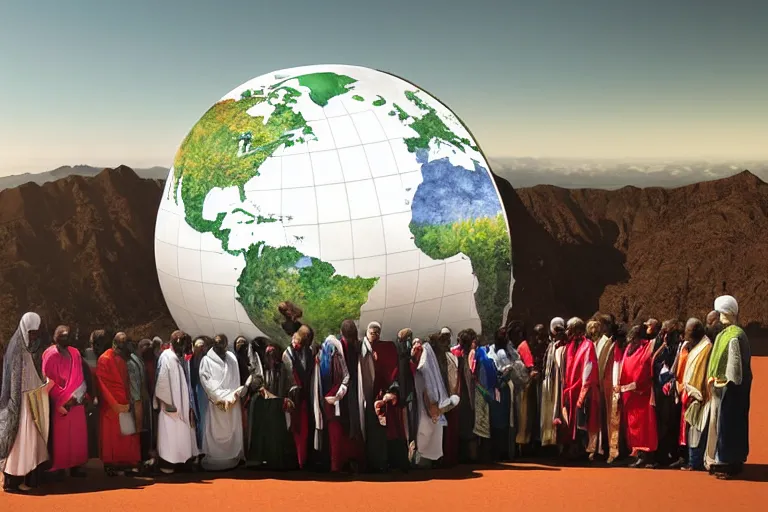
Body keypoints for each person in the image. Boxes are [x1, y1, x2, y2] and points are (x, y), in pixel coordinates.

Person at [0, 312, 52, 493]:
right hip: (20, 403)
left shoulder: (34, 347)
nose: (34, 336)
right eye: (31, 332)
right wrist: (18, 405)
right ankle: (12, 481)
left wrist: (42, 385)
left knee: (32, 441)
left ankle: (28, 478)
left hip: (32, 399)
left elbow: (34, 372)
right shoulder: (16, 347)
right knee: (19, 441)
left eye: (36, 332)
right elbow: (15, 381)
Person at [705, 295, 752, 479]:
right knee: (725, 424)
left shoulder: (734, 336)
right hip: (723, 388)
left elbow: (735, 367)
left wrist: (728, 384)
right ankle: (727, 459)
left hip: (731, 390)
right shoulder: (727, 334)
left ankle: (729, 462)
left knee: (729, 424)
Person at [41, 325, 88, 477]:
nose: (64, 338)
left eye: (67, 335)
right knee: (60, 437)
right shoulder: (50, 354)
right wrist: (63, 399)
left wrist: (77, 396)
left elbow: (80, 375)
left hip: (76, 399)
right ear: (55, 336)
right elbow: (47, 379)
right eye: (61, 335)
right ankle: (60, 467)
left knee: (77, 434)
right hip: (59, 403)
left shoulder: (75, 353)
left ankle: (76, 465)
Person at [365, 321, 409, 473]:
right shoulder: (362, 349)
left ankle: (390, 461)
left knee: (390, 430)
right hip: (368, 395)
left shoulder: (387, 348)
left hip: (385, 395)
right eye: (372, 332)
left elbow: (392, 371)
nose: (375, 335)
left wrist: (391, 391)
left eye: (377, 332)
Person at [96, 332, 141, 476]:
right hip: (111, 407)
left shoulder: (122, 359)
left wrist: (127, 402)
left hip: (125, 403)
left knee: (127, 436)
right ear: (114, 344)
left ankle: (126, 463)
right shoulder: (104, 359)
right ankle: (111, 465)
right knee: (112, 438)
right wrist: (115, 405)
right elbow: (102, 385)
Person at [154, 330, 199, 474]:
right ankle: (168, 464)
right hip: (171, 407)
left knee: (182, 435)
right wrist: (168, 404)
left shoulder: (180, 358)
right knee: (170, 437)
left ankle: (182, 462)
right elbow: (162, 382)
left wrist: (190, 405)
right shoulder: (166, 357)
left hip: (183, 405)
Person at [199, 334, 246, 471]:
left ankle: (234, 456)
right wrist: (217, 397)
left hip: (232, 400)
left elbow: (236, 378)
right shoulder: (206, 361)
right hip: (216, 402)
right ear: (214, 345)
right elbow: (205, 381)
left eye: (222, 345)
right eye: (217, 345)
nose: (220, 348)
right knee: (215, 428)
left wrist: (233, 395)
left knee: (233, 427)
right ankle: (215, 456)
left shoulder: (231, 358)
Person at [246, 343, 296, 470]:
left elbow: (288, 384)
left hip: (278, 405)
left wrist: (286, 398)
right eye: (268, 354)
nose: (271, 356)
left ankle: (277, 461)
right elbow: (255, 382)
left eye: (273, 353)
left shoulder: (282, 368)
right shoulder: (262, 368)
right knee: (265, 433)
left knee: (277, 434)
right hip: (265, 406)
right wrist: (260, 387)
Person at [411, 339, 456, 467]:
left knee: (426, 434)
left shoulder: (425, 369)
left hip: (427, 408)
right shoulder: (419, 368)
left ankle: (423, 463)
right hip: (421, 407)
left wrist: (432, 408)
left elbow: (428, 392)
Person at [618, 325, 658, 468]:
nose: (631, 337)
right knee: (632, 426)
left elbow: (643, 370)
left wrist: (631, 386)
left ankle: (645, 455)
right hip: (629, 395)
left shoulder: (646, 348)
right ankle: (636, 452)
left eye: (634, 335)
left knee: (643, 426)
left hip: (642, 395)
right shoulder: (629, 348)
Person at [561, 317, 600, 459]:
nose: (567, 332)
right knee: (571, 420)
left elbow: (589, 368)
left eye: (570, 329)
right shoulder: (570, 346)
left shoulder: (587, 345)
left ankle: (582, 450)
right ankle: (572, 448)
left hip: (583, 389)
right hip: (571, 389)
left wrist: (584, 389)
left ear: (577, 330)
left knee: (582, 419)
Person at [677, 318, 713, 471]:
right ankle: (692, 460)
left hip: (700, 396)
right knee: (691, 430)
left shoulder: (706, 347)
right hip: (689, 393)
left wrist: (696, 392)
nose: (684, 334)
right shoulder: (696, 346)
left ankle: (695, 462)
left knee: (698, 431)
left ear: (694, 333)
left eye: (687, 331)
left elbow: (703, 372)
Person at [315, 334, 352, 472]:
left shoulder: (336, 355)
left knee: (335, 432)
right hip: (324, 399)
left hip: (335, 400)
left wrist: (338, 394)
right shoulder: (320, 356)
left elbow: (346, 376)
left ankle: (336, 464)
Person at [283, 325, 315, 469]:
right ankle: (297, 460)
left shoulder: (308, 352)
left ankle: (303, 460)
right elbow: (289, 376)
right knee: (295, 428)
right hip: (292, 398)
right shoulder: (288, 354)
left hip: (306, 396)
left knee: (304, 430)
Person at [651, 319, 683, 467]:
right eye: (663, 333)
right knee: (661, 423)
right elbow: (655, 362)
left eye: (667, 333)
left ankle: (672, 455)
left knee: (671, 423)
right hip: (659, 390)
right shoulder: (661, 346)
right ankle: (661, 455)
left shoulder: (679, 347)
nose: (664, 336)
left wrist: (670, 379)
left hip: (674, 391)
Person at [339, 320, 368, 472]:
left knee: (347, 424)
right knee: (356, 424)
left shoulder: (341, 347)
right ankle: (359, 459)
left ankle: (349, 459)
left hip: (346, 389)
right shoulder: (359, 346)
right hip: (357, 388)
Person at [516, 324, 547, 454]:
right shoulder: (525, 347)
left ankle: (537, 442)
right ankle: (525, 445)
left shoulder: (545, 346)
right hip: (526, 387)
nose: (540, 337)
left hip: (540, 385)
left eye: (542, 334)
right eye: (538, 334)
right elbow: (529, 366)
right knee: (526, 415)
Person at [126, 338, 154, 470]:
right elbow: (134, 386)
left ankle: (142, 458)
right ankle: (137, 461)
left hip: (143, 400)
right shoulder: (131, 362)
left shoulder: (138, 359)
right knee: (138, 431)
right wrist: (137, 404)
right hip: (137, 402)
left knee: (144, 431)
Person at [452, 328, 478, 462]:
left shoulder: (467, 356)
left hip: (463, 396)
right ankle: (467, 456)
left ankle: (467, 456)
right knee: (467, 425)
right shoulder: (461, 356)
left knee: (465, 425)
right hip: (464, 396)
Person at [540, 317, 566, 448]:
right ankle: (548, 441)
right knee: (547, 412)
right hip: (548, 382)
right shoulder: (550, 345)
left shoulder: (564, 345)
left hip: (559, 383)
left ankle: (559, 443)